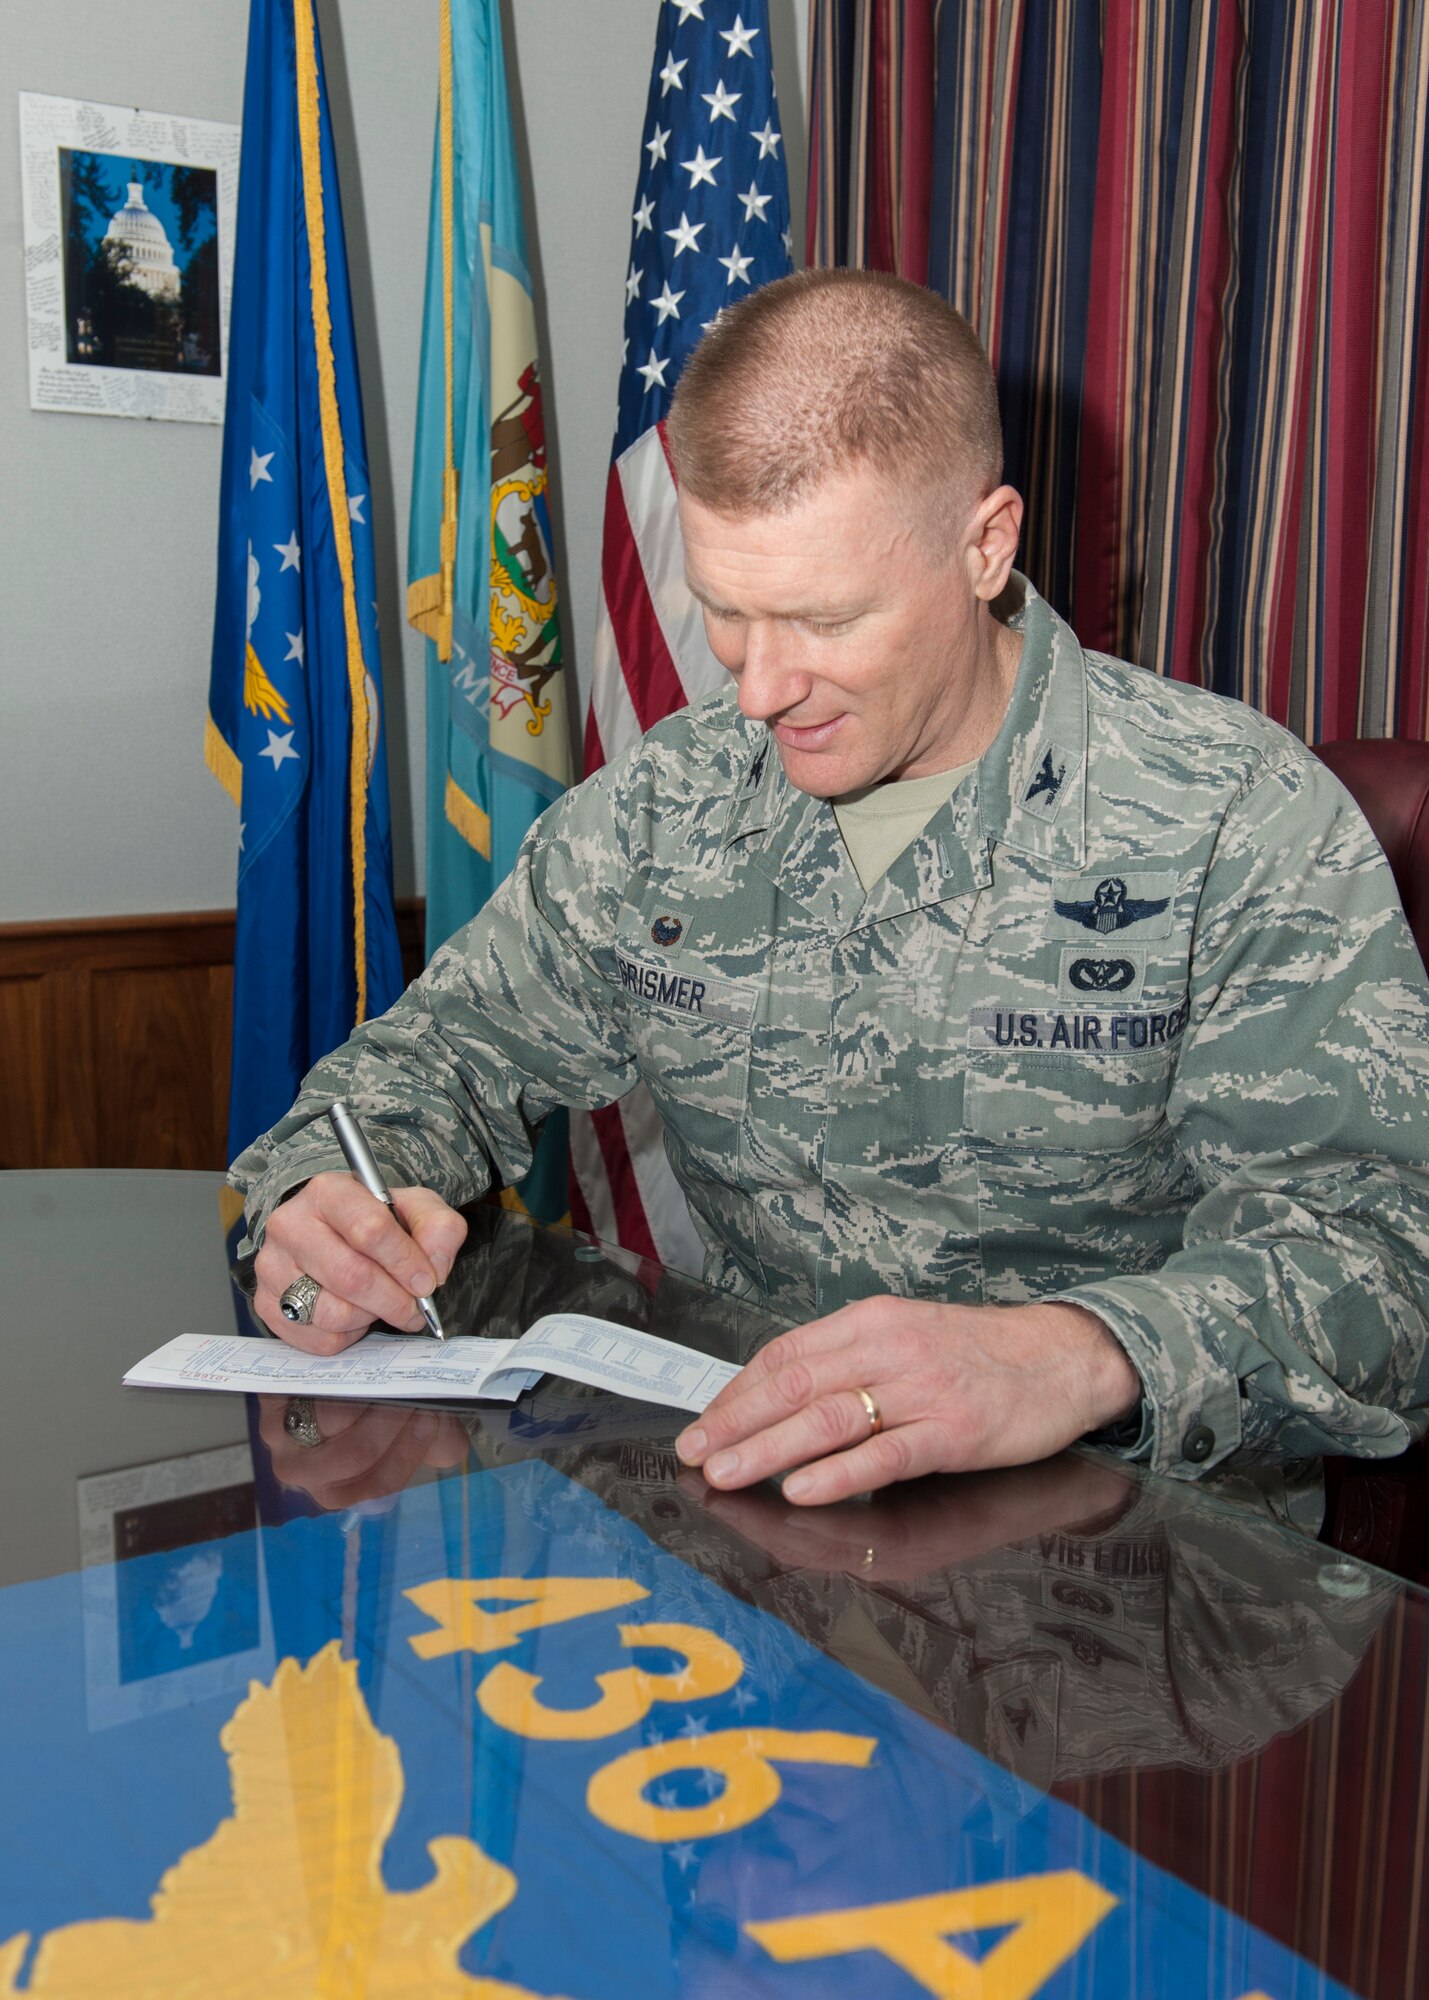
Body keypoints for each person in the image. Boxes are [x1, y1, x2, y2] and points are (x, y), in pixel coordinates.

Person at [232, 268, 1429, 1512]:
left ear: (984, 545)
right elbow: (435, 1057)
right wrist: (328, 1199)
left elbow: (1390, 1253)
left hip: (1124, 1565)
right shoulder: (667, 807)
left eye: (825, 619)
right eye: (726, 614)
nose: (758, 690)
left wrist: (1080, 1353)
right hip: (755, 1529)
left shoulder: (1229, 816)